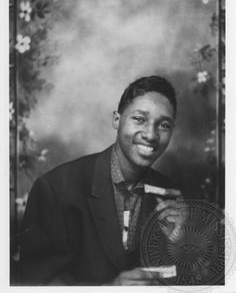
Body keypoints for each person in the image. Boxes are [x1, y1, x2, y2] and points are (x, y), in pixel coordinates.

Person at [17, 75, 184, 285]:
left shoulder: (170, 192)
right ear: (116, 120)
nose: (151, 135)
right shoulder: (55, 189)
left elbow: (180, 277)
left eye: (164, 125)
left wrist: (180, 243)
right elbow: (35, 284)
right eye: (139, 119)